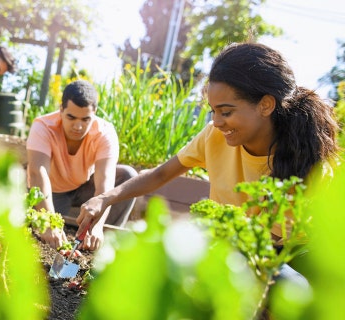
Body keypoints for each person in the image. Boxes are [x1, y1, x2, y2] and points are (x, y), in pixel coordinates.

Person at [77, 42, 340, 287]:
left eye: (226, 112)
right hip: (236, 250)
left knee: (299, 289)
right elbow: (161, 174)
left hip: (290, 251)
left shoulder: (306, 157)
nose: (216, 121)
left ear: (266, 105)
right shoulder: (215, 137)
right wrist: (104, 198)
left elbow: (272, 243)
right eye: (213, 111)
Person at [27, 80, 138, 251]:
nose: (78, 126)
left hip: (83, 187)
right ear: (61, 109)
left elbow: (105, 181)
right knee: (46, 243)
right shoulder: (43, 126)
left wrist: (98, 225)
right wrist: (49, 222)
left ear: (94, 113)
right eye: (71, 117)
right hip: (53, 191)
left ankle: (101, 247)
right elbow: (37, 173)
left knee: (127, 176)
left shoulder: (104, 132)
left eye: (85, 119)